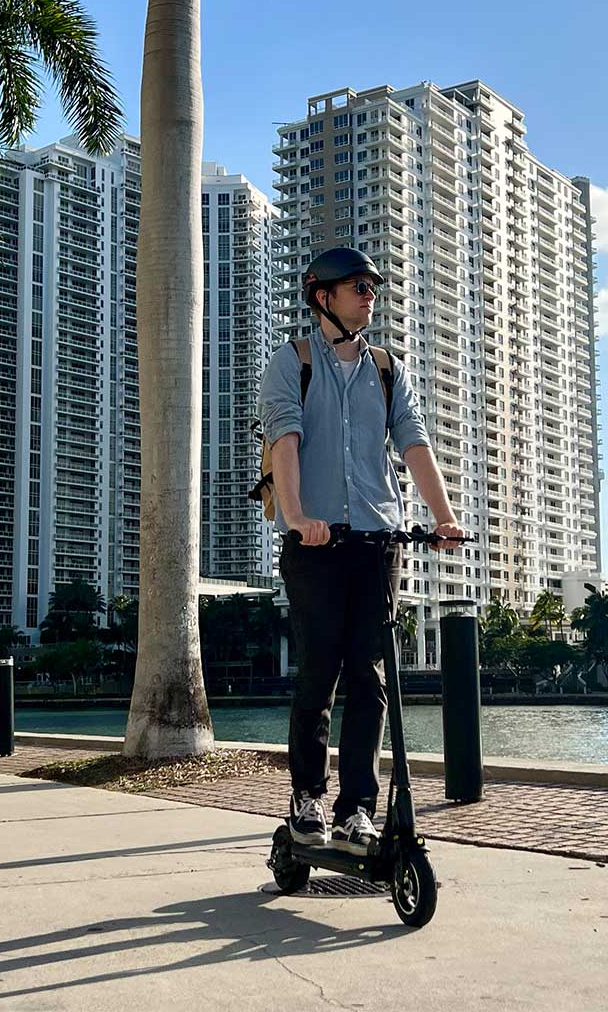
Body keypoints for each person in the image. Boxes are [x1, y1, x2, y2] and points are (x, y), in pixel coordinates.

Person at [257, 247, 464, 855]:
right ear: (322, 296)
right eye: (356, 286)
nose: (369, 295)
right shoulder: (290, 362)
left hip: (377, 541)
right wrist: (297, 517)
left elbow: (414, 442)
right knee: (318, 673)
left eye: (372, 287)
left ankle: (356, 811)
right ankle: (306, 801)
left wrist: (443, 517)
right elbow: (285, 440)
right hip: (315, 542)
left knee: (370, 677)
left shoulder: (385, 369)